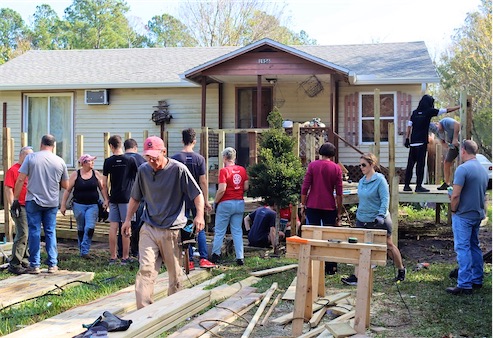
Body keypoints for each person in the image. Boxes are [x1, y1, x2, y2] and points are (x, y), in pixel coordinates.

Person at [121, 136, 205, 309]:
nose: (152, 161)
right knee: (146, 269)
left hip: (172, 230)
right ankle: (143, 313)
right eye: (148, 157)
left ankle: (172, 310)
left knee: (174, 275)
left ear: (164, 152)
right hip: (149, 227)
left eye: (155, 157)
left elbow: (197, 195)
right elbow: (135, 198)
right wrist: (127, 220)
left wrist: (199, 216)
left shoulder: (178, 170)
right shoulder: (143, 170)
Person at [341, 153, 406, 285]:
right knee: (360, 247)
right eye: (360, 165)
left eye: (364, 165)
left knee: (389, 245)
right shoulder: (362, 181)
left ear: (372, 165)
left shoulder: (380, 180)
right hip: (362, 218)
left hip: (378, 219)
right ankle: (356, 276)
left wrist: (381, 215)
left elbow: (385, 199)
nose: (361, 167)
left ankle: (401, 270)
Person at [12, 135, 69, 274]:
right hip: (51, 202)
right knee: (50, 231)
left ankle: (35, 265)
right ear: (54, 146)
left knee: (34, 231)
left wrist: (15, 199)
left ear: (41, 143)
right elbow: (66, 185)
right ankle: (52, 264)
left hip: (33, 200)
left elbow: (20, 179)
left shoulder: (31, 158)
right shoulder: (60, 161)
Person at [446, 140, 488, 295]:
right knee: (474, 246)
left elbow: (456, 194)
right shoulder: (482, 169)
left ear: (463, 150)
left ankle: (464, 284)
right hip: (477, 213)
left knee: (462, 248)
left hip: (463, 215)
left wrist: (453, 208)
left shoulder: (463, 169)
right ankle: (477, 279)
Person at [171, 128, 214, 270]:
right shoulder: (200, 159)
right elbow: (203, 181)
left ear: (182, 140)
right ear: (194, 141)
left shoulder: (176, 158)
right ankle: (203, 259)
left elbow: (173, 181)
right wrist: (206, 200)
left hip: (181, 200)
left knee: (184, 228)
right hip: (197, 199)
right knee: (199, 228)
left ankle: (188, 260)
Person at [300, 142, 342, 275]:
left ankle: (313, 264)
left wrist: (303, 204)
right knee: (330, 236)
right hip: (329, 205)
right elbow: (339, 192)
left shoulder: (313, 165)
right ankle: (330, 266)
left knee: (313, 235)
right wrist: (339, 210)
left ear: (320, 153)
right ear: (333, 155)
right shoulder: (336, 168)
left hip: (312, 204)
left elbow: (305, 187)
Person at [404, 95, 460, 193]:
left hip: (413, 142)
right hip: (421, 143)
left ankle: (406, 185)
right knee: (420, 165)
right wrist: (459, 107)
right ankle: (418, 186)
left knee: (410, 165)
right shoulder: (429, 112)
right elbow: (446, 110)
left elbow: (409, 126)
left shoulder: (414, 113)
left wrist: (407, 138)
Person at [60, 154, 109, 258]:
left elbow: (102, 188)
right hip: (79, 205)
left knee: (90, 227)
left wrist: (106, 200)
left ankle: (85, 249)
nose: (93, 163)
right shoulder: (76, 174)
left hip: (93, 205)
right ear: (84, 163)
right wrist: (63, 205)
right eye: (90, 161)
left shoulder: (96, 174)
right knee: (81, 228)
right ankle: (82, 251)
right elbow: (68, 190)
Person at [103, 135, 139, 265]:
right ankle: (125, 257)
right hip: (127, 199)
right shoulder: (130, 160)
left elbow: (103, 183)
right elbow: (138, 178)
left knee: (113, 227)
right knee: (126, 227)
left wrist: (106, 198)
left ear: (111, 146)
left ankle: (113, 257)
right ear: (121, 145)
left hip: (114, 198)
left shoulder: (108, 161)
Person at [211, 147, 248, 266]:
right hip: (239, 202)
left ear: (224, 158)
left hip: (226, 203)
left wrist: (215, 202)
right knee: (237, 231)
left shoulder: (224, 171)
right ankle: (240, 257)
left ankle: (215, 255)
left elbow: (222, 189)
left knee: (220, 230)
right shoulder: (242, 170)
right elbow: (246, 187)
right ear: (234, 157)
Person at [5, 146, 33, 275]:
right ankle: (15, 263)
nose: (30, 159)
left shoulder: (30, 170)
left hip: (30, 205)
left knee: (30, 234)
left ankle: (25, 260)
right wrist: (13, 205)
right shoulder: (13, 170)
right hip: (19, 206)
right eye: (28, 156)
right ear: (22, 156)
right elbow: (8, 188)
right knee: (23, 233)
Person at [123, 138, 146, 258]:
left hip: (120, 197)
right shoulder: (140, 160)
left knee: (122, 224)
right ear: (136, 147)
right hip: (137, 197)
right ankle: (135, 250)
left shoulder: (117, 159)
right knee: (137, 224)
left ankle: (122, 252)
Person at [428, 117, 461, 190]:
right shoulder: (437, 132)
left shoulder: (445, 121)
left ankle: (461, 183)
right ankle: (447, 183)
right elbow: (442, 143)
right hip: (454, 147)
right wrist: (446, 145)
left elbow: (457, 124)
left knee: (461, 163)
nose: (438, 130)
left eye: (438, 127)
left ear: (437, 123)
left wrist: (455, 138)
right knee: (446, 162)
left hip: (461, 143)